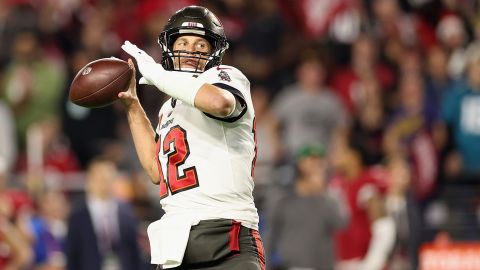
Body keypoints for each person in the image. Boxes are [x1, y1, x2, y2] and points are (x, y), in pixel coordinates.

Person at [118, 5, 265, 270]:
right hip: (177, 243)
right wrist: (133, 106)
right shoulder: (168, 108)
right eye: (183, 43)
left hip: (226, 236)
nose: (189, 51)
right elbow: (156, 170)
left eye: (200, 46)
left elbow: (219, 103)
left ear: (214, 53)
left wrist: (157, 75)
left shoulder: (225, 77)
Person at [265, 144, 349, 270]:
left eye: (319, 160)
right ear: (299, 163)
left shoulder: (331, 194)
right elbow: (270, 235)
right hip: (292, 266)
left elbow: (341, 223)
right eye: (311, 159)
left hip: (324, 266)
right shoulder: (283, 197)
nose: (316, 164)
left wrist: (322, 192)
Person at [65, 157, 144, 270]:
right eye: (100, 178)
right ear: (90, 180)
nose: (104, 183)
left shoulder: (126, 213)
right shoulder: (78, 215)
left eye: (108, 178)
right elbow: (72, 255)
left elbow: (134, 251)